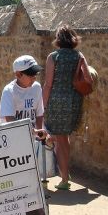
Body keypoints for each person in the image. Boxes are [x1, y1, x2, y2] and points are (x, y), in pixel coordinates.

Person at [42, 25, 86, 191]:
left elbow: (48, 84)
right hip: (74, 100)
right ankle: (65, 170)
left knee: (60, 138)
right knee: (64, 137)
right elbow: (86, 76)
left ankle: (65, 178)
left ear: (58, 39)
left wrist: (43, 104)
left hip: (57, 102)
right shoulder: (79, 56)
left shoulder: (53, 57)